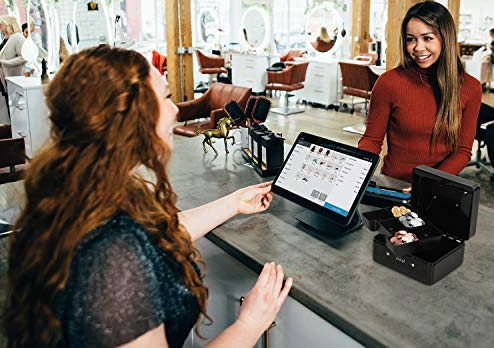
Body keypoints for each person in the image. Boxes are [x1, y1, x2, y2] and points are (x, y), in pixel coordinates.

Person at [3, 45, 292, 348]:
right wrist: (250, 323)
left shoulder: (80, 189)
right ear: (129, 117)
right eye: (166, 97)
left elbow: (155, 234)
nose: (175, 110)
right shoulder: (111, 257)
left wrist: (233, 203)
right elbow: (129, 243)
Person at [358, 1, 482, 183]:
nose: (418, 47)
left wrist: (428, 182)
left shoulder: (470, 88)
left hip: (438, 187)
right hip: (393, 186)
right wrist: (355, 170)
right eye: (411, 39)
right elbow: (371, 140)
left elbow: (462, 152)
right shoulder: (388, 83)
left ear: (445, 38)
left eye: (428, 38)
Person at [0, 16, 26, 98]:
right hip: (6, 80)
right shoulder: (5, 39)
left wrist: (5, 62)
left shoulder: (17, 38)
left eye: (1, 24)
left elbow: (24, 57)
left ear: (8, 24)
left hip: (15, 81)